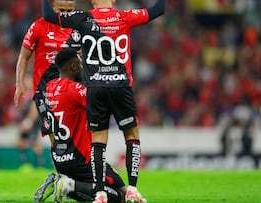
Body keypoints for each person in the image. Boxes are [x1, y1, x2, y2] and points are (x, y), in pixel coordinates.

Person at [42, 0, 167, 202]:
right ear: (114, 0)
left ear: (92, 1)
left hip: (95, 88)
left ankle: (99, 192)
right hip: (120, 85)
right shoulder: (124, 16)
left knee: (98, 141)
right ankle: (133, 189)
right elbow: (158, 10)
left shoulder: (83, 18)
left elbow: (49, 15)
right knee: (132, 137)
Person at [36, 48, 126, 203]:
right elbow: (101, 103)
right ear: (73, 67)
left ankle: (60, 182)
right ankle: (69, 186)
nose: (83, 67)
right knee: (120, 196)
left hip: (60, 159)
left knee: (115, 187)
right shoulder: (75, 90)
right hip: (83, 159)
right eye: (81, 64)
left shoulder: (49, 87)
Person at [13, 0, 81, 168]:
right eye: (61, 10)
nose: (64, 14)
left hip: (72, 91)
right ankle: (64, 176)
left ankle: (77, 176)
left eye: (69, 10)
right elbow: (24, 57)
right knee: (55, 137)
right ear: (52, 8)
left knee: (76, 136)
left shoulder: (79, 28)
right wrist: (19, 83)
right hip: (45, 92)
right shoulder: (39, 26)